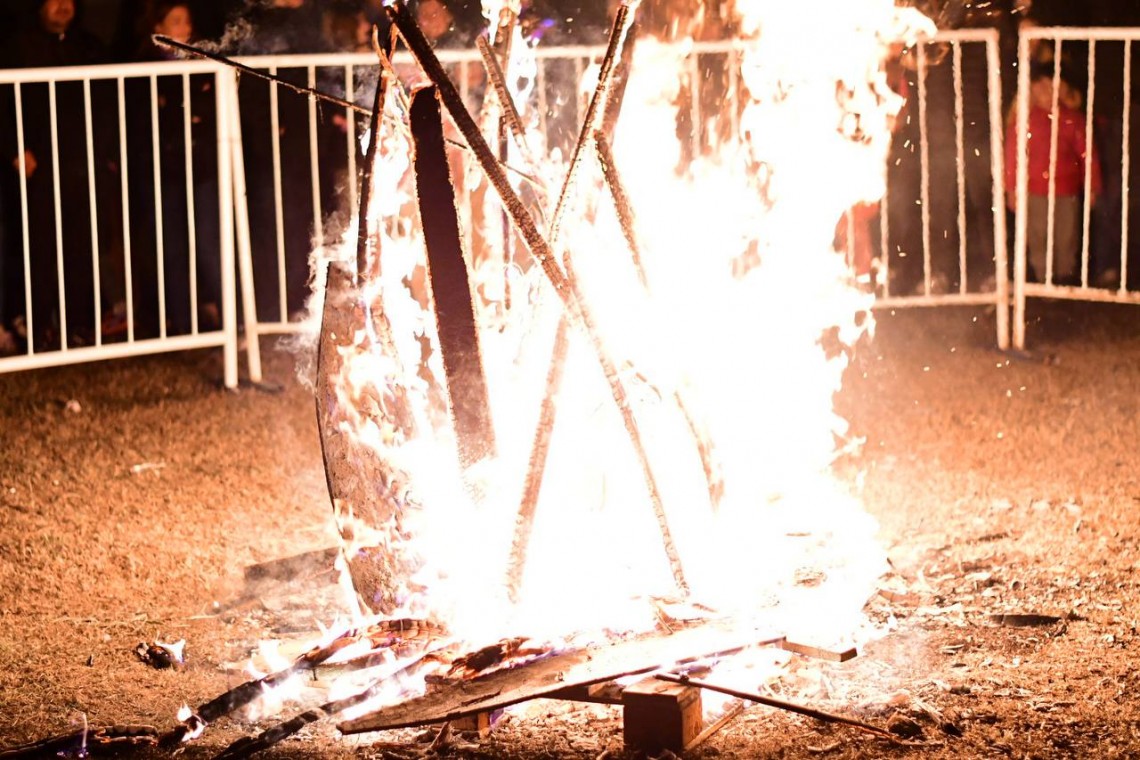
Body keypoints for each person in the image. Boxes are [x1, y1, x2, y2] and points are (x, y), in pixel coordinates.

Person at [0, 0, 112, 351]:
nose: (63, 6)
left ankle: (77, 324)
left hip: (81, 163)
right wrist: (15, 149)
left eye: (68, 0)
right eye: (54, 0)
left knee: (80, 246)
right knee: (38, 249)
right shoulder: (16, 46)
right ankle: (36, 327)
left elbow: (106, 100)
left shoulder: (90, 46)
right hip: (37, 165)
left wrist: (104, 153)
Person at [1005, 65, 1102, 285]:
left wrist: (1092, 186)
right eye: (1039, 88)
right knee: (1038, 235)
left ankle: (1064, 277)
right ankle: (1043, 277)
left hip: (1066, 190)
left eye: (1049, 87)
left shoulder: (1072, 119)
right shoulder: (1024, 120)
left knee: (1066, 235)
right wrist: (1011, 189)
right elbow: (1012, 156)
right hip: (1034, 191)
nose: (1044, 92)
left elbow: (1087, 154)